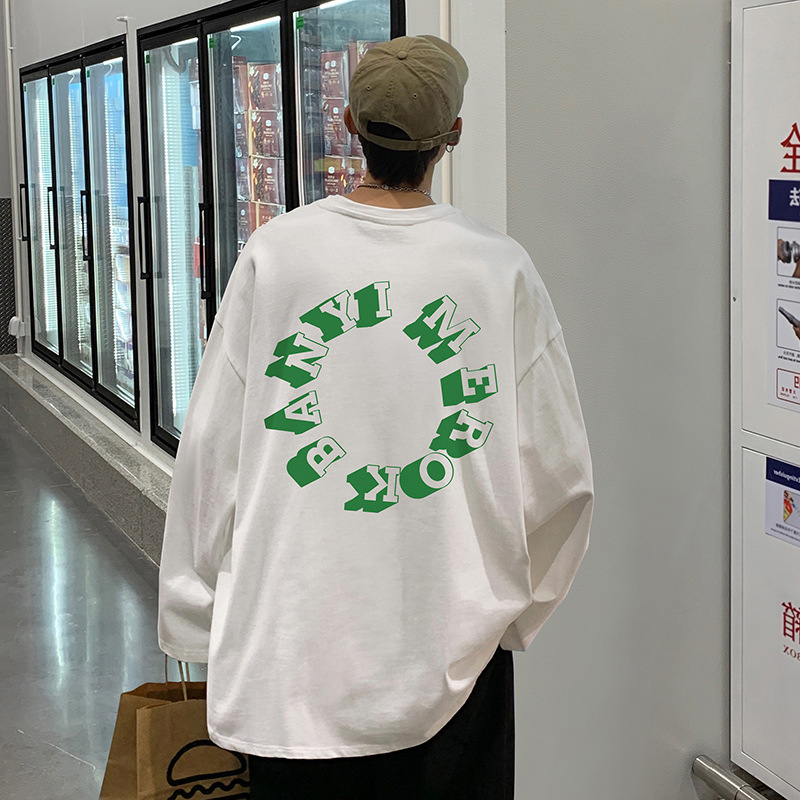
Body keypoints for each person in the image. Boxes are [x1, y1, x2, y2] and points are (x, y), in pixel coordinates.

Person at [157, 34, 594, 800]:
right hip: (452, 665)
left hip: (292, 663)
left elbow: (212, 454)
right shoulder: (499, 271)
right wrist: (512, 617)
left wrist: (197, 616)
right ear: (453, 133)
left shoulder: (275, 256)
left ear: (351, 124)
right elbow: (562, 481)